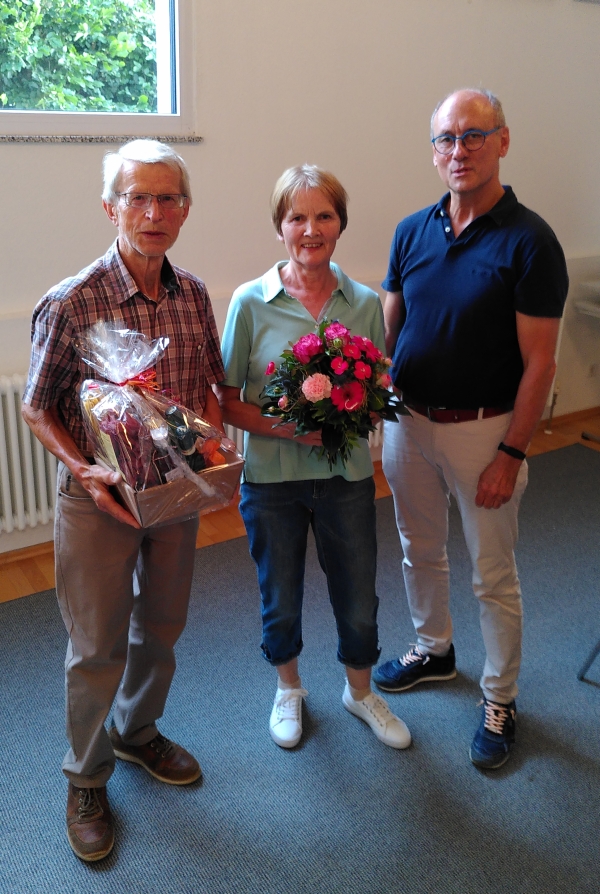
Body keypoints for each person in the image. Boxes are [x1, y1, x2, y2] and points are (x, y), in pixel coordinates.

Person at [22, 140, 225, 861]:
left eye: (168, 198)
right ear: (110, 207)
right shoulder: (72, 300)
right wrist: (88, 467)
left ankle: (137, 732)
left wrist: (212, 442)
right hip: (97, 499)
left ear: (186, 210)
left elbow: (206, 385)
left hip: (173, 492)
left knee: (162, 626)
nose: (153, 212)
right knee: (96, 643)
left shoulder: (195, 294)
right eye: (137, 198)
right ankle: (85, 776)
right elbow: (36, 407)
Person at [373, 89, 568, 769]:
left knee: (493, 574)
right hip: (409, 424)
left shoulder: (531, 241)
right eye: (445, 139)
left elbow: (541, 362)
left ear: (503, 142)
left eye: (473, 136)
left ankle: (501, 696)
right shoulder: (411, 230)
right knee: (417, 547)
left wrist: (512, 452)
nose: (458, 150)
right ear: (433, 151)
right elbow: (390, 332)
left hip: (485, 432)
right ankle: (433, 649)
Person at [215, 165, 411, 752]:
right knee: (280, 592)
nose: (310, 228)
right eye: (296, 216)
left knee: (357, 592)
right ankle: (290, 689)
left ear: (340, 224)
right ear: (280, 227)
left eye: (324, 215)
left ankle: (360, 690)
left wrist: (363, 411)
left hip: (346, 477)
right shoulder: (251, 303)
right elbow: (227, 401)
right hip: (272, 480)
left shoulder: (366, 304)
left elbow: (377, 388)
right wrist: (290, 429)